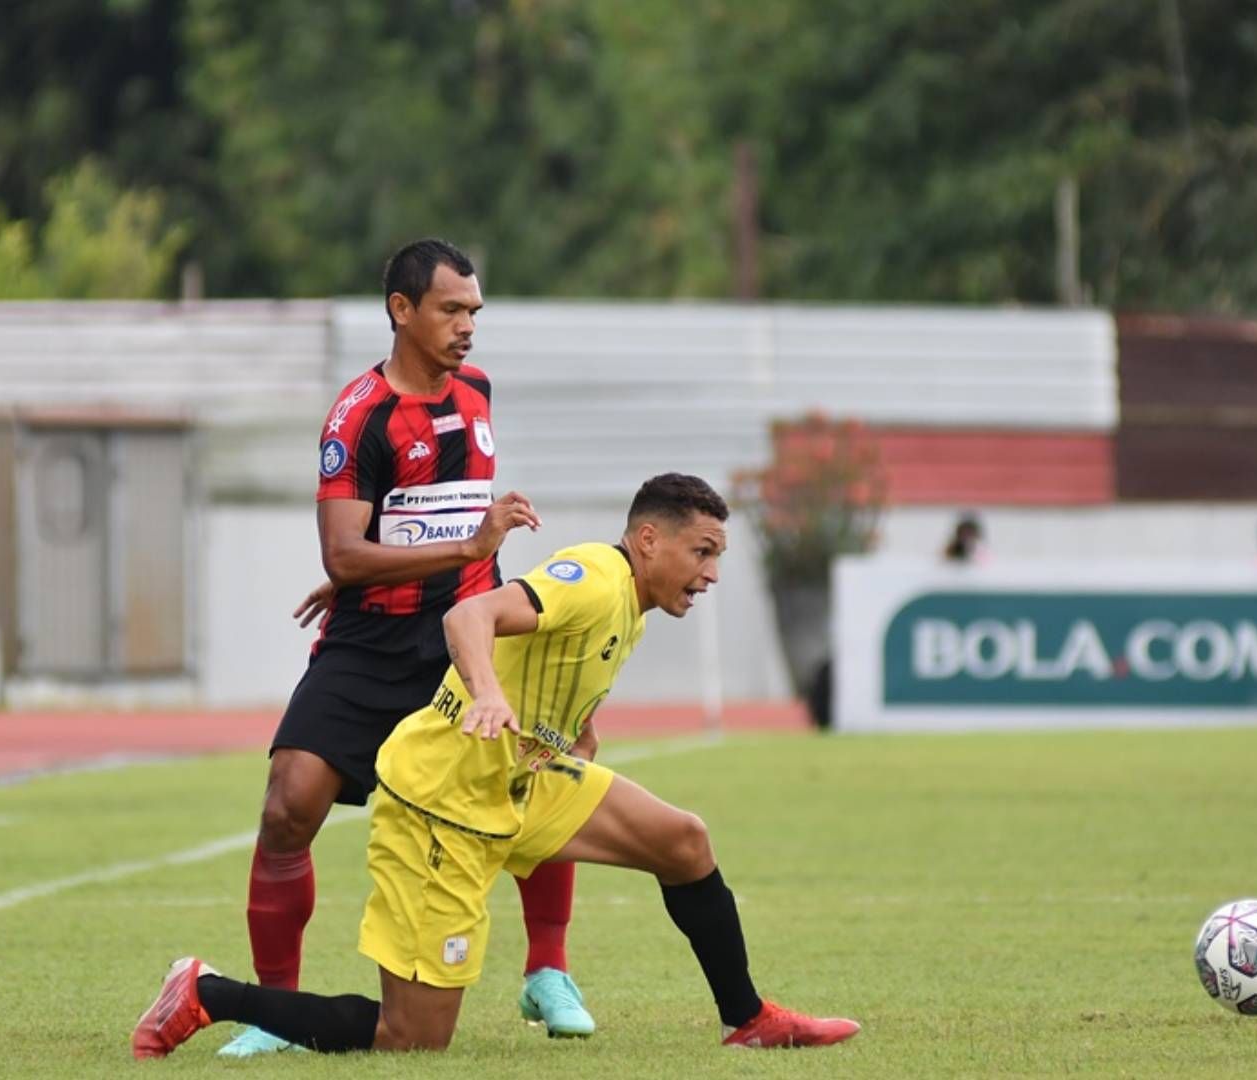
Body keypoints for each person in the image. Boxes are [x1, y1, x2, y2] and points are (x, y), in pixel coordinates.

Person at [134, 473, 861, 1057]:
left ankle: (748, 1017)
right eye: (702, 552)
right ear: (648, 540)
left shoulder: (632, 604)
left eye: (717, 557)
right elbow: (468, 617)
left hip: (517, 783)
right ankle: (206, 993)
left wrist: (574, 733)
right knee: (412, 1037)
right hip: (439, 806)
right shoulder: (594, 578)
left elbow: (552, 667)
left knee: (684, 841)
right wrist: (485, 693)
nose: (710, 573)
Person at [218, 238, 601, 1056]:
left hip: (464, 632)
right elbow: (344, 554)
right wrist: (441, 557)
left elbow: (431, 520)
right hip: (369, 645)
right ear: (401, 310)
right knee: (289, 805)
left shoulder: (479, 392)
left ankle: (548, 972)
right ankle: (273, 1012)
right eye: (450, 310)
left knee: (544, 767)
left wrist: (454, 562)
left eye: (474, 312)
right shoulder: (358, 415)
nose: (468, 327)